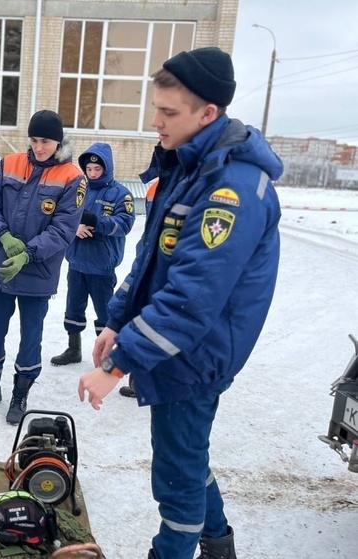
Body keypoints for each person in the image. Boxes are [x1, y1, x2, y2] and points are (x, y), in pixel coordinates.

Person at [77, 47, 283, 559]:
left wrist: (120, 363)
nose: (156, 122)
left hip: (195, 351)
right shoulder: (189, 166)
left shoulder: (231, 186)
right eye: (156, 108)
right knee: (187, 455)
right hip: (177, 343)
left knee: (175, 472)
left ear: (207, 113)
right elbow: (151, 259)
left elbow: (193, 296)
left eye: (168, 112)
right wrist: (115, 320)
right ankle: (218, 545)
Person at [0, 109, 86, 425]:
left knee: (30, 336)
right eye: (33, 140)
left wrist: (28, 254)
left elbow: (63, 229)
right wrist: (2, 236)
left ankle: (20, 394)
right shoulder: (10, 163)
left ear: (57, 141)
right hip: (2, 267)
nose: (38, 147)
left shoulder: (73, 177)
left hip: (37, 273)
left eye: (45, 141)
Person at [50, 142, 135, 367]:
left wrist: (98, 223)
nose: (93, 173)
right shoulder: (78, 189)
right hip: (76, 263)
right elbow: (62, 216)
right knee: (73, 309)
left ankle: (108, 356)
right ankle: (73, 349)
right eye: (89, 170)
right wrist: (74, 228)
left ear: (107, 169)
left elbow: (124, 224)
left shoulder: (121, 194)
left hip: (102, 266)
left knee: (106, 313)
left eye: (98, 170)